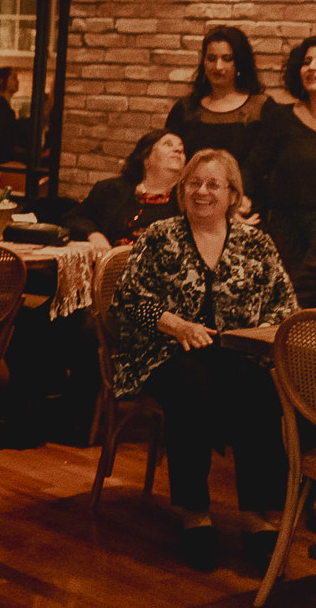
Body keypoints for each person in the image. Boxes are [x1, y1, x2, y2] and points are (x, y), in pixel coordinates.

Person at [109, 148, 297, 572]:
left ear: (232, 195)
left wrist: (259, 339)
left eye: (214, 184)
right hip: (164, 350)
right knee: (191, 386)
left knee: (260, 389)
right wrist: (176, 325)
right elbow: (129, 299)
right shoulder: (160, 236)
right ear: (182, 190)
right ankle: (195, 514)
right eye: (194, 183)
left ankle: (255, 516)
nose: (202, 191)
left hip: (236, 353)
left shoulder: (256, 243)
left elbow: (284, 307)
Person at [247, 36, 316, 307]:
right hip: (288, 231)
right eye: (306, 61)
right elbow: (254, 168)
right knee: (292, 305)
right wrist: (239, 200)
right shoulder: (280, 117)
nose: (311, 67)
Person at [166, 25, 272, 167]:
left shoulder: (261, 108)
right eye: (211, 58)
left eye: (227, 59)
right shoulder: (185, 109)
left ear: (239, 63)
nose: (218, 66)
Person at [65, 130, 185, 249]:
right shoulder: (111, 189)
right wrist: (94, 235)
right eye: (168, 144)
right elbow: (75, 218)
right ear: (146, 158)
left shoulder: (186, 198)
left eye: (181, 148)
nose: (178, 150)